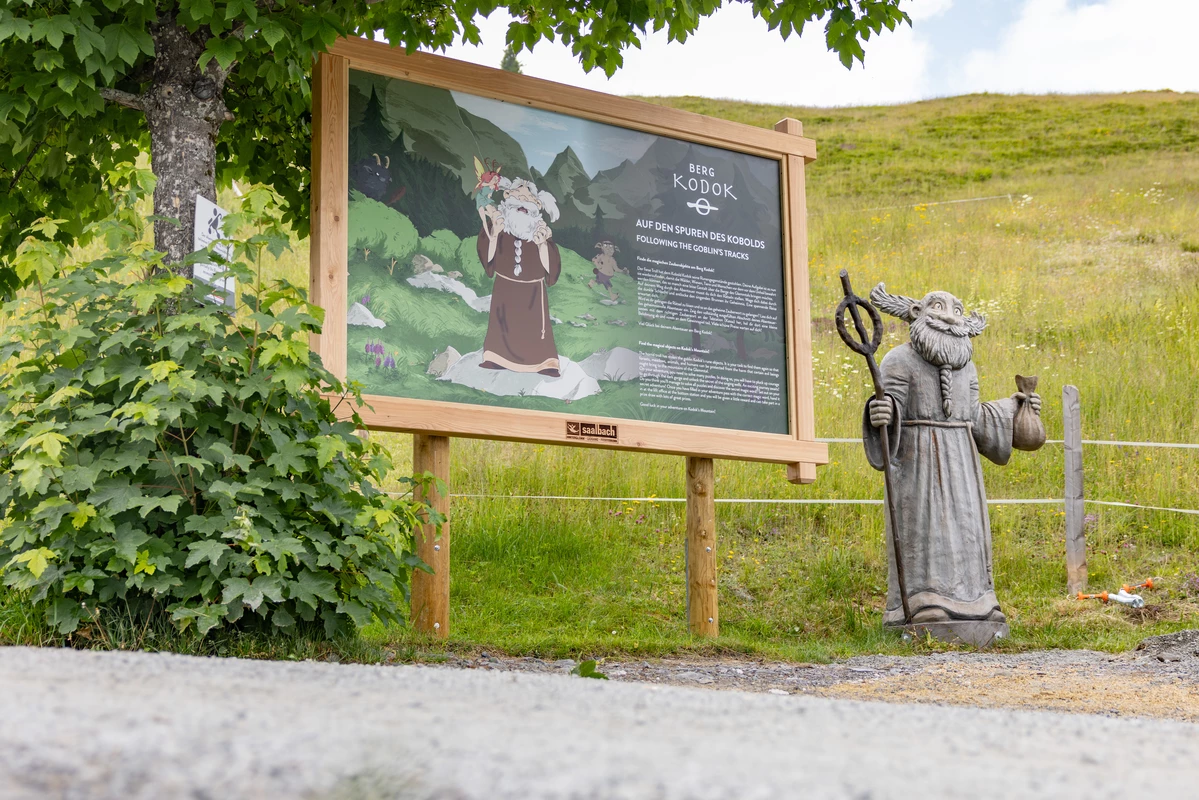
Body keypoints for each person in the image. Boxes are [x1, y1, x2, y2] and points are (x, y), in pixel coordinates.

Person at [863, 284, 1042, 642]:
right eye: (938, 307)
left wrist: (1014, 409)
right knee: (926, 525)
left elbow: (974, 418)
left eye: (957, 311)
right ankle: (922, 602)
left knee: (967, 526)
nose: (948, 317)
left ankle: (978, 601)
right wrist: (880, 412)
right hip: (918, 463)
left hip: (962, 463)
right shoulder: (898, 360)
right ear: (918, 314)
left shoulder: (967, 368)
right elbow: (889, 411)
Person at [476, 177, 562, 377]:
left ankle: (542, 362)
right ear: (507, 196)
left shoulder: (540, 230)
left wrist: (542, 245)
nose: (523, 201)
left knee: (533, 328)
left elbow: (552, 269)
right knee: (502, 325)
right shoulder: (498, 223)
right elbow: (487, 259)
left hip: (533, 294)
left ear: (537, 205)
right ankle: (497, 357)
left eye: (528, 198)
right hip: (505, 290)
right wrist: (494, 234)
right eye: (518, 196)